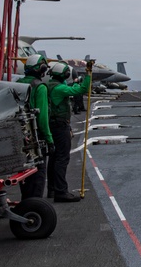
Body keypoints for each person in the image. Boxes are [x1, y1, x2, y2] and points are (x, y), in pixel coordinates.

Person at [45, 60, 92, 202]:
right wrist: (88, 75)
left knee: (53, 159)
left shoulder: (51, 85)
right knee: (62, 158)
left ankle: (52, 190)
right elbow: (81, 90)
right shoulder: (59, 89)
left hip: (53, 125)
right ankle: (61, 192)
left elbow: (70, 87)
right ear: (64, 74)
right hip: (60, 126)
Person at [16, 54, 54, 199]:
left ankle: (26, 202)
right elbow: (42, 118)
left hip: (19, 135)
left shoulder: (18, 83)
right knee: (38, 171)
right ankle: (34, 206)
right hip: (35, 138)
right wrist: (49, 140)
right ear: (41, 69)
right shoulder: (40, 87)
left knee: (24, 173)